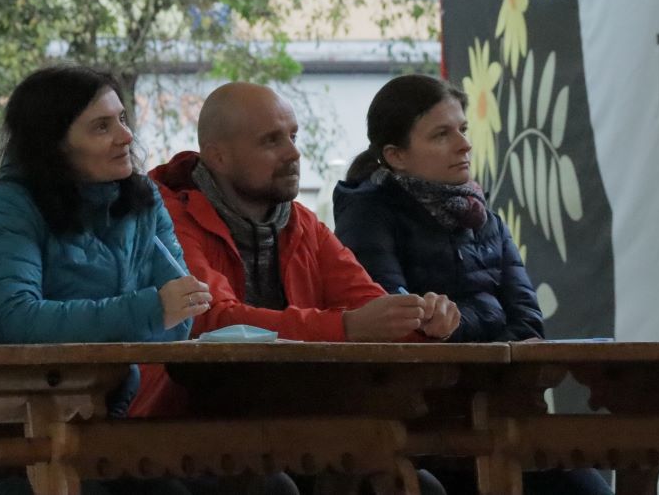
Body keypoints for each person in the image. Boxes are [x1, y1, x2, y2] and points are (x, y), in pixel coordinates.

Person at [132, 82, 459, 495]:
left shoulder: (303, 223)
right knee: (271, 489)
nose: (293, 153)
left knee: (416, 486)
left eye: (293, 136)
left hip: (296, 424)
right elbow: (210, 320)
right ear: (218, 156)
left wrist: (424, 321)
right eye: (271, 141)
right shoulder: (165, 218)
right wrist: (347, 327)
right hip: (177, 425)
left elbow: (371, 307)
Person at [333, 74, 612, 495]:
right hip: (417, 424)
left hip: (496, 410)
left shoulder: (484, 217)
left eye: (463, 129)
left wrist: (455, 325)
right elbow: (400, 324)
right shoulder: (367, 216)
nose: (464, 144)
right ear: (396, 155)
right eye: (441, 134)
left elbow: (528, 325)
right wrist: (477, 329)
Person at [0, 65, 209, 495]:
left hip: (100, 413)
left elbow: (181, 315)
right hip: (8, 424)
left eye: (122, 119)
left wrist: (164, 309)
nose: (126, 136)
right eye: (101, 126)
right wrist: (150, 310)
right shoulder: (11, 204)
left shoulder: (142, 199)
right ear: (54, 144)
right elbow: (13, 316)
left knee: (264, 483)